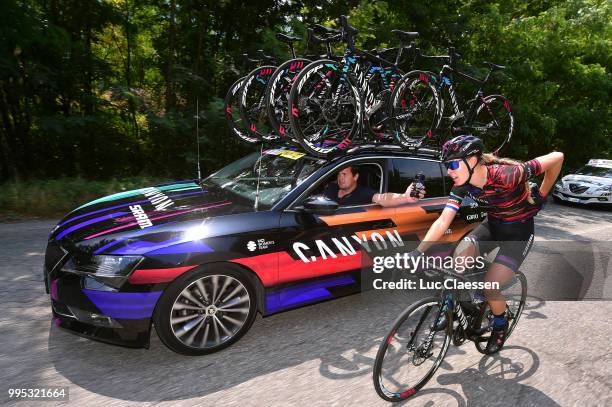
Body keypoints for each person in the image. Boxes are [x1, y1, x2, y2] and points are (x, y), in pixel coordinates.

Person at [407, 135, 563, 354]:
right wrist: (417, 251)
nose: (449, 171)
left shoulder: (508, 175)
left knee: (491, 288)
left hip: (518, 233)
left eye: (453, 164)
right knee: (458, 257)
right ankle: (450, 306)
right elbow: (443, 220)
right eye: (446, 166)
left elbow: (558, 157)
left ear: (472, 160)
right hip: (493, 226)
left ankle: (500, 324)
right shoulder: (461, 186)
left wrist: (543, 193)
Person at [323, 165, 425, 207]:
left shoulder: (363, 193)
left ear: (355, 177)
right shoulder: (331, 187)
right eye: (339, 174)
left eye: (344, 174)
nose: (340, 178)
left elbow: (383, 198)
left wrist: (405, 197)